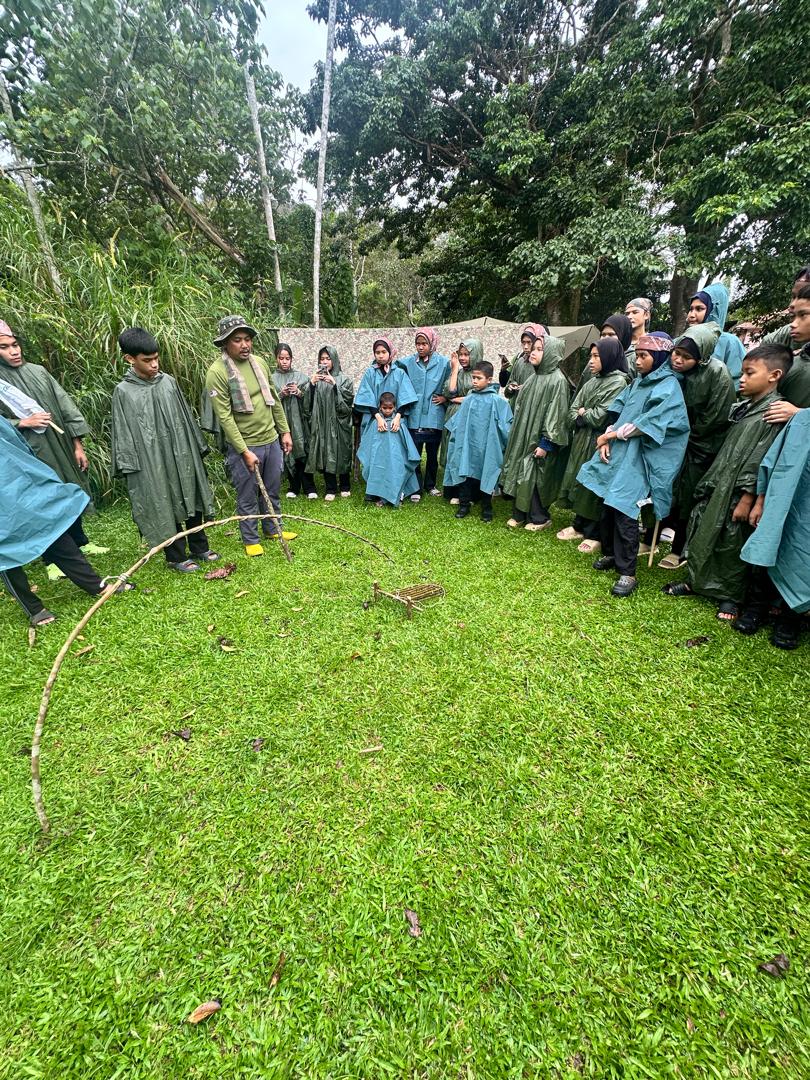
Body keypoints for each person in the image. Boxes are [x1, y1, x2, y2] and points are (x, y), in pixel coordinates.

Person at [663, 344, 792, 621]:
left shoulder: (774, 411)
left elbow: (763, 457)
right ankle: (696, 582)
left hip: (739, 491)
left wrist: (748, 496)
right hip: (719, 481)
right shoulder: (746, 407)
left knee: (731, 542)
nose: (742, 378)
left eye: (749, 373)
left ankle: (730, 596)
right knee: (705, 532)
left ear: (774, 375)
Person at [577, 333, 689, 597]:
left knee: (625, 509)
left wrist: (609, 436)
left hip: (642, 458)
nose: (637, 361)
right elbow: (619, 411)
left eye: (644, 356)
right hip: (620, 453)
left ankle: (628, 572)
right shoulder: (639, 382)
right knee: (607, 503)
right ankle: (612, 556)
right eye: (637, 355)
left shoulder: (668, 386)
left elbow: (647, 425)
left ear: (659, 357)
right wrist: (607, 435)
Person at [1, 416, 132, 626]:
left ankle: (97, 586)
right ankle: (34, 609)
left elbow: (20, 446)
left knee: (48, 528)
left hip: (18, 483)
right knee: (5, 550)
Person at [0, 318, 107, 569]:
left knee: (69, 487)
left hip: (59, 444)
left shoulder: (38, 372)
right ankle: (52, 559)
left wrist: (77, 445)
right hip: (29, 452)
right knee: (46, 499)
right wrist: (22, 422)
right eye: (4, 347)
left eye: (15, 345)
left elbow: (65, 405)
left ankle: (81, 540)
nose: (14, 351)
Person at [112, 327, 219, 573]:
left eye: (156, 358)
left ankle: (200, 547)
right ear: (130, 358)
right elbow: (123, 433)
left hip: (181, 453)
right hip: (150, 460)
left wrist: (195, 448)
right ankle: (176, 556)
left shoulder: (168, 382)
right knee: (162, 500)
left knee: (191, 493)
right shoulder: (124, 392)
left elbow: (185, 419)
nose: (154, 365)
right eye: (147, 360)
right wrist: (130, 467)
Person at [204, 315, 295, 557]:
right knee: (247, 493)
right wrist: (244, 451)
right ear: (225, 343)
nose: (245, 345)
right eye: (237, 340)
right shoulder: (217, 372)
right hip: (246, 444)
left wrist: (284, 431)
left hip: (271, 439)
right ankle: (250, 538)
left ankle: (273, 528)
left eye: (247, 339)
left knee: (272, 488)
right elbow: (225, 417)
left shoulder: (259, 363)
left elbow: (273, 399)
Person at [653, 324, 736, 570]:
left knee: (688, 498)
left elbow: (716, 417)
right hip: (672, 442)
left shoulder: (718, 373)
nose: (678, 360)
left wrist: (687, 435)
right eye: (676, 353)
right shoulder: (670, 369)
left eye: (686, 357)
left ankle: (680, 549)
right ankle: (651, 538)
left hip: (701, 445)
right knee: (663, 487)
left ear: (701, 358)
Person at [740, 409, 810, 649]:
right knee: (769, 547)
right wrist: (759, 501)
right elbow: (773, 461)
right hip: (782, 503)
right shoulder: (801, 420)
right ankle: (756, 607)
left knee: (805, 560)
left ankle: (791, 618)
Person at [556, 338, 630, 553]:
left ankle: (595, 533)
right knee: (579, 480)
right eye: (591, 356)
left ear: (608, 357)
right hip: (582, 439)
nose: (591, 361)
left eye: (596, 356)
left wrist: (583, 413)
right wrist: (582, 414)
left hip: (601, 440)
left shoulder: (619, 382)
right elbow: (571, 412)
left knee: (595, 484)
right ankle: (579, 525)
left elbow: (600, 417)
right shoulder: (591, 381)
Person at [500, 335, 570, 530]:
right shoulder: (533, 378)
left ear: (550, 354)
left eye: (539, 349)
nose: (533, 352)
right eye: (534, 348)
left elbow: (556, 415)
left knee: (536, 476)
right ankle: (519, 513)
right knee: (520, 471)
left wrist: (546, 443)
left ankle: (539, 517)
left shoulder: (557, 381)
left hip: (538, 440)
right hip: (523, 436)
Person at [444, 360, 512, 523]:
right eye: (473, 378)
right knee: (465, 473)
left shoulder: (497, 401)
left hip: (488, 446)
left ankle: (487, 508)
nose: (474, 381)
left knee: (487, 474)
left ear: (489, 380)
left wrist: (505, 442)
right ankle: (464, 505)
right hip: (468, 445)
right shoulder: (469, 398)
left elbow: (506, 425)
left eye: (478, 378)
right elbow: (459, 421)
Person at [396, 328, 450, 499]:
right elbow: (393, 365)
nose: (420, 347)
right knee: (415, 453)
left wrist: (444, 397)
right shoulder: (409, 362)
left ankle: (430, 484)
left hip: (434, 414)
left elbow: (451, 383)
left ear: (432, 344)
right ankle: (415, 487)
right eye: (418, 344)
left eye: (424, 344)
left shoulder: (444, 362)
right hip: (415, 413)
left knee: (433, 453)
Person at [304, 345, 355, 501]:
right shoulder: (316, 380)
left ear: (334, 360)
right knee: (326, 453)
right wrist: (311, 385)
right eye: (322, 359)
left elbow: (347, 403)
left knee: (342, 452)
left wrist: (334, 385)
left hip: (339, 423)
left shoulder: (344, 379)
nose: (325, 362)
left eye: (328, 358)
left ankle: (345, 486)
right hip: (322, 424)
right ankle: (331, 488)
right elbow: (307, 405)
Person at [356, 391, 420, 508]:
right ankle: (381, 496)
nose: (387, 410)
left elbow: (405, 442)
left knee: (397, 471)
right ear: (380, 407)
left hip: (397, 457)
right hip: (379, 457)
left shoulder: (399, 423)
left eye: (390, 408)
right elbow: (369, 442)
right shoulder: (376, 423)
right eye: (384, 408)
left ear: (395, 407)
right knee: (378, 470)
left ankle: (398, 496)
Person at [762, 283, 810, 428]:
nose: (793, 324)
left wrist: (799, 414)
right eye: (793, 317)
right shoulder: (797, 360)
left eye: (803, 315)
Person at [272, 342, 314, 500]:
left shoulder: (301, 377)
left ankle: (309, 486)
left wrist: (299, 393)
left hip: (300, 423)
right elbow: (268, 400)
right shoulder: (271, 379)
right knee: (287, 452)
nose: (284, 361)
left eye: (287, 358)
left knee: (303, 451)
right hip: (281, 424)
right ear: (276, 358)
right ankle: (293, 486)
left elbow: (311, 400)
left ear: (292, 359)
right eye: (281, 358)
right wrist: (280, 394)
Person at [685, 282, 746, 387]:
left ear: (713, 310)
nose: (691, 315)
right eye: (691, 309)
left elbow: (737, 383)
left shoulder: (730, 343)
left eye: (699, 309)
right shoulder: (683, 340)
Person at [353, 338, 416, 437]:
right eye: (377, 352)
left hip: (396, 420)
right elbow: (366, 397)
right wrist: (378, 418)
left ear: (390, 352)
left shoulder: (399, 373)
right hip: (373, 419)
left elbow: (405, 397)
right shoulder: (370, 373)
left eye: (384, 352)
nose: (380, 355)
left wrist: (397, 418)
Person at [440, 340, 477, 503]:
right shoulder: (458, 373)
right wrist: (455, 369)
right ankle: (452, 489)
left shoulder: (479, 372)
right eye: (460, 354)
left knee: (467, 453)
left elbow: (476, 396)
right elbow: (450, 392)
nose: (462, 358)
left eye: (466, 354)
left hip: (470, 418)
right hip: (453, 415)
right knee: (452, 450)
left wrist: (460, 399)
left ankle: (469, 492)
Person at [500, 323, 544, 405]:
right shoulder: (520, 361)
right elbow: (507, 383)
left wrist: (526, 388)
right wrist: (511, 387)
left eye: (529, 342)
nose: (525, 347)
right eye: (523, 343)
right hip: (516, 407)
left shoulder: (544, 366)